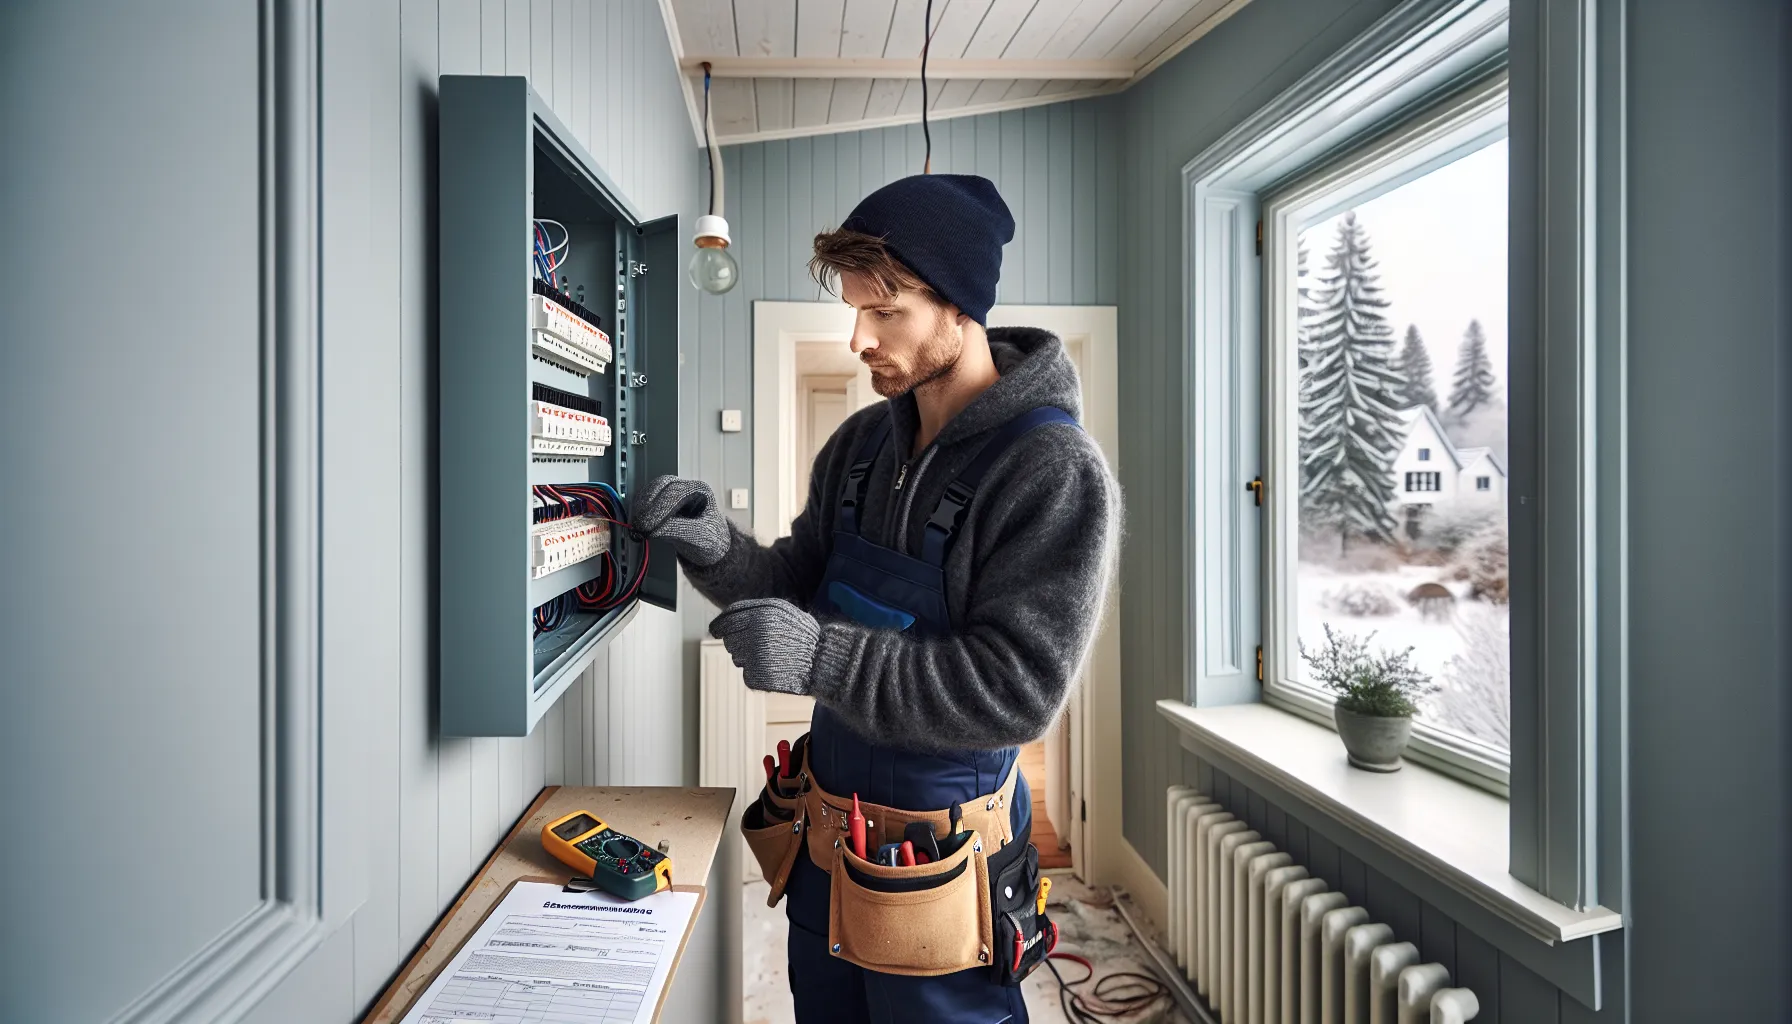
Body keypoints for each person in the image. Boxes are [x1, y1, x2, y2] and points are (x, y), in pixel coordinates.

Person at [630, 173, 1122, 1023]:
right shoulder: (861, 442)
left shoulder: (1051, 471)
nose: (858, 339)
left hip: (943, 869)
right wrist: (712, 546)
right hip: (829, 840)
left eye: (885, 312)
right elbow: (796, 584)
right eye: (854, 310)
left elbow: (1019, 691)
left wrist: (823, 657)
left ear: (959, 307)